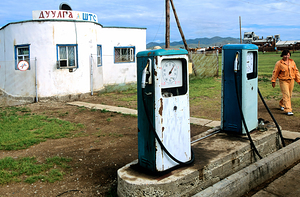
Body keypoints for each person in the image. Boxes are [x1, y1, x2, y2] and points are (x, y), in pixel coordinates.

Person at [271, 50, 300, 116]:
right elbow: (275, 72)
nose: (286, 56)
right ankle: (288, 110)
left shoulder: (292, 62)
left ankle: (282, 104)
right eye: (285, 55)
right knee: (286, 94)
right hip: (283, 81)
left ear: (289, 55)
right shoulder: (279, 63)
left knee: (289, 95)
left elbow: (296, 71)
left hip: (291, 80)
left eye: (288, 55)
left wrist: (298, 80)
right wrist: (273, 81)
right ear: (282, 55)